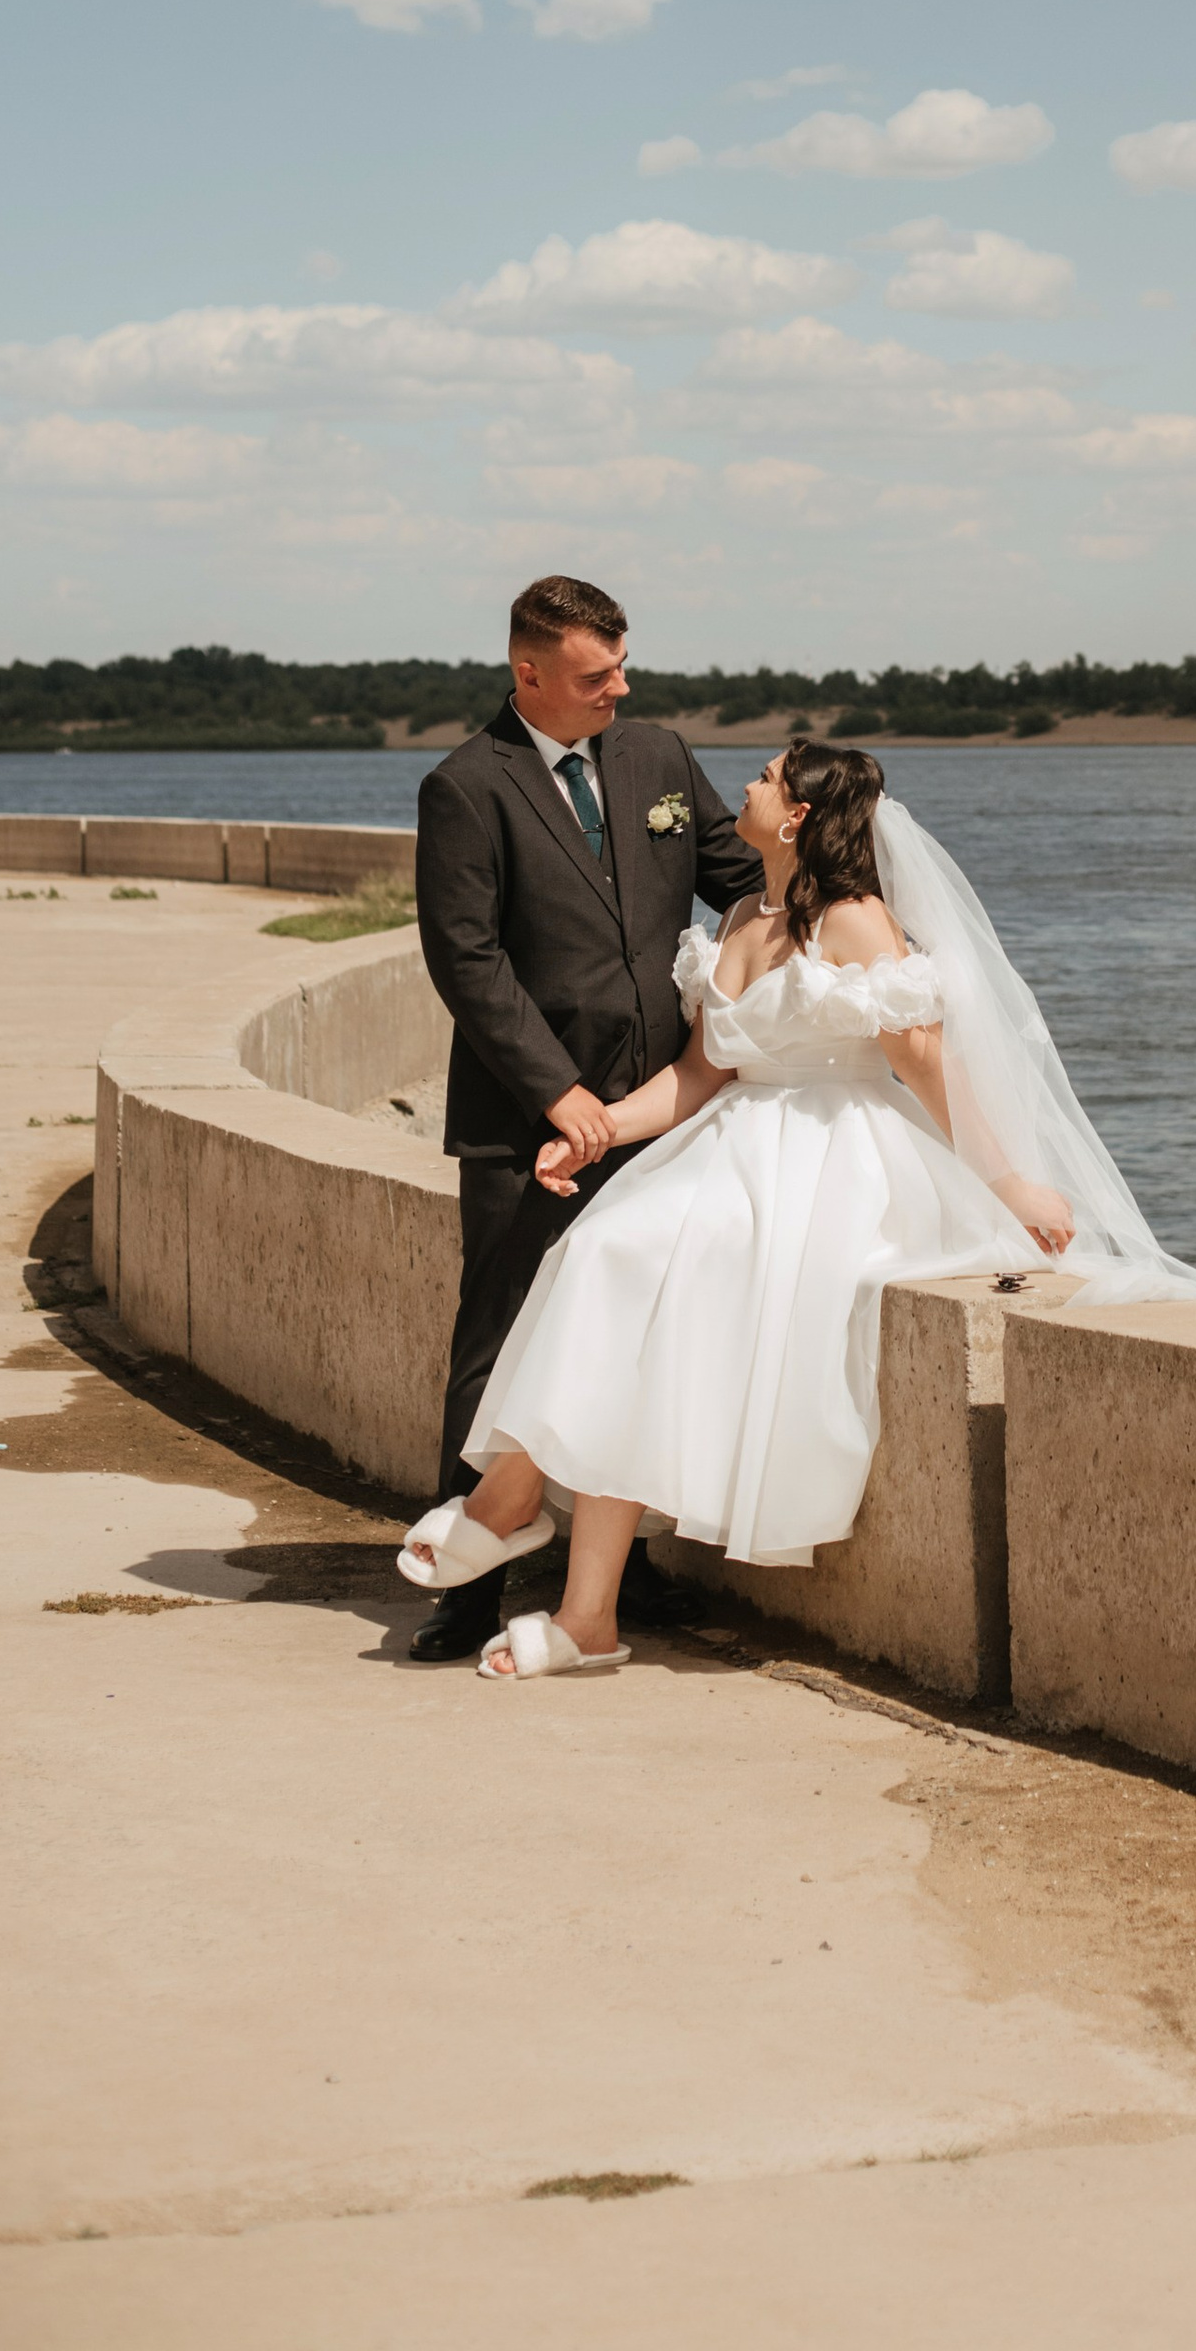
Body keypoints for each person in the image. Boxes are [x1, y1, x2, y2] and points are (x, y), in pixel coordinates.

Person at [397, 739, 1196, 1680]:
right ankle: (581, 1604)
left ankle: (517, 1521)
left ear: (795, 817)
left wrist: (1011, 1184)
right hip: (731, 1141)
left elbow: (925, 1066)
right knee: (601, 1254)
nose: (745, 785)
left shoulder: (857, 922)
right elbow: (699, 1074)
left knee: (642, 1267)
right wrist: (597, 1131)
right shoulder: (742, 914)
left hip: (834, 1158)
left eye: (766, 778)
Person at [406, 575, 761, 1664]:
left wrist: (849, 908)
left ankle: (619, 1574)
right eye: (596, 673)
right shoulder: (465, 787)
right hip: (526, 1122)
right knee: (500, 1341)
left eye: (621, 666)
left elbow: (742, 876)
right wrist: (556, 1091)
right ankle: (470, 1588)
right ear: (529, 673)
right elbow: (466, 959)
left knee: (631, 1341)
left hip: (662, 1114)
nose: (620, 688)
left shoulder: (659, 757)